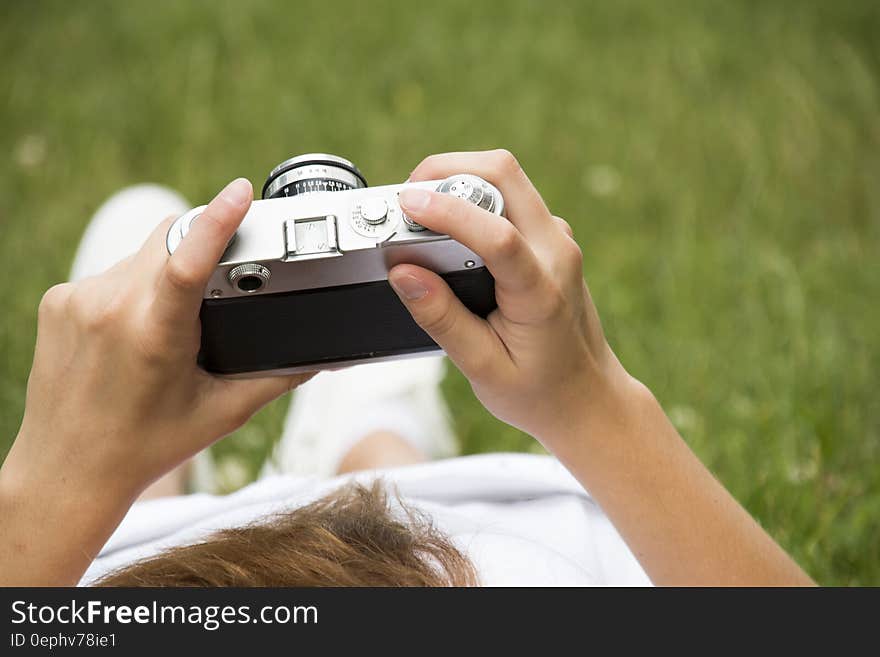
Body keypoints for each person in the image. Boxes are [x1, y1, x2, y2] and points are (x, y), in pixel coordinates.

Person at [0, 150, 813, 586]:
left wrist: (53, 495)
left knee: (138, 537)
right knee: (411, 489)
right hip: (480, 568)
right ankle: (373, 443)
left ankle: (157, 491)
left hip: (166, 581)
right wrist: (591, 403)